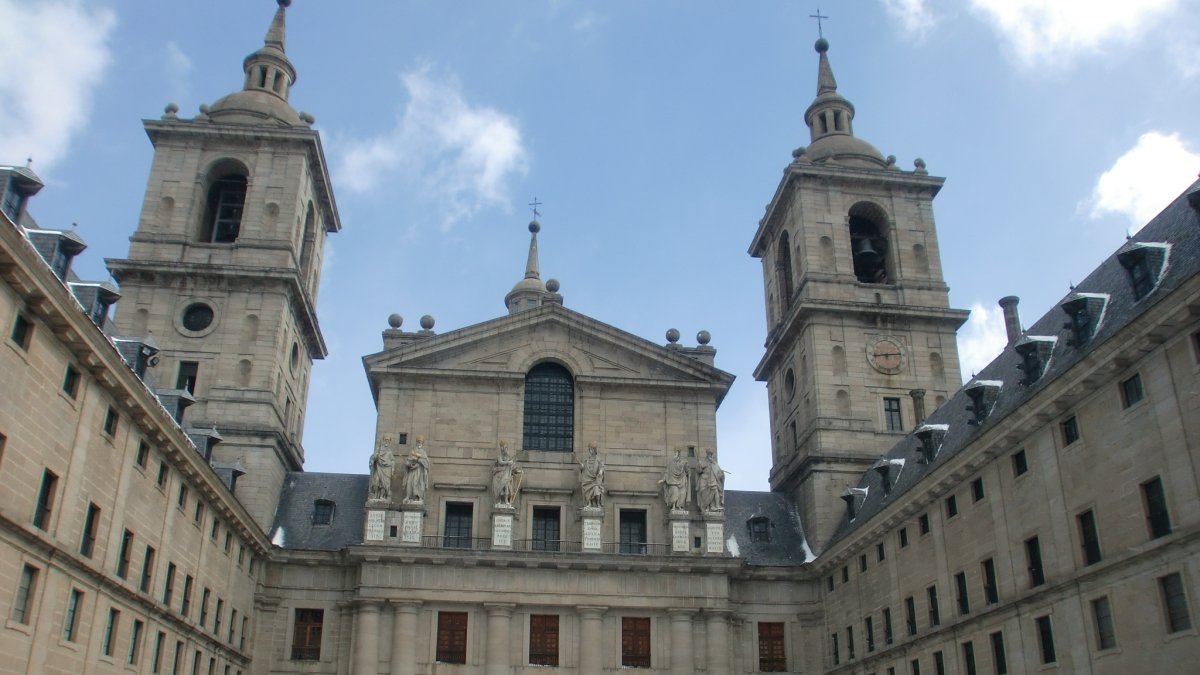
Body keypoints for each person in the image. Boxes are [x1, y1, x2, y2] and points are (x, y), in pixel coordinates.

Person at [492, 441, 521, 507]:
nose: (505, 449)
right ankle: (499, 501)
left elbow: (512, 467)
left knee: (507, 488)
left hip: (507, 475)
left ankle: (506, 501)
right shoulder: (500, 456)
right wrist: (508, 462)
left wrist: (515, 469)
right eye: (504, 448)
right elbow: (501, 462)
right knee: (500, 489)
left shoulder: (508, 458)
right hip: (500, 475)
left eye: (506, 448)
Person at [403, 436, 430, 503]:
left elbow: (427, 463)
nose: (419, 443)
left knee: (418, 483)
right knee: (410, 482)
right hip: (412, 471)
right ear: (416, 442)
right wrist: (409, 464)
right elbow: (408, 461)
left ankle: (418, 497)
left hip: (420, 472)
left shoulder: (423, 452)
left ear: (422, 443)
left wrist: (418, 460)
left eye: (420, 442)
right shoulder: (412, 451)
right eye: (418, 442)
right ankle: (409, 496)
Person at [697, 448, 725, 512]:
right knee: (705, 494)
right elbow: (698, 471)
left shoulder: (715, 463)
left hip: (713, 480)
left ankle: (716, 506)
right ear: (707, 454)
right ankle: (706, 507)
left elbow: (719, 473)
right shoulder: (703, 462)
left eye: (711, 454)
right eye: (709, 454)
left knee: (715, 491)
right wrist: (700, 466)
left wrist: (722, 474)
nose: (710, 455)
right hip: (704, 480)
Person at [368, 436, 395, 502]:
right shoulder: (379, 449)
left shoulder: (389, 451)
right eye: (385, 440)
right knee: (376, 481)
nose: (387, 441)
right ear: (383, 440)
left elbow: (392, 460)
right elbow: (373, 457)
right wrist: (374, 459)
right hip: (378, 467)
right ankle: (375, 496)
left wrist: (392, 468)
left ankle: (382, 496)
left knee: (384, 484)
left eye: (388, 440)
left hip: (386, 470)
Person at [579, 443, 606, 508]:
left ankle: (598, 504)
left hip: (595, 479)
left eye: (592, 449)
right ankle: (589, 503)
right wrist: (582, 467)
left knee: (597, 490)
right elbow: (582, 468)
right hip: (587, 479)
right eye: (590, 449)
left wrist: (601, 470)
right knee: (587, 491)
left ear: (595, 450)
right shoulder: (586, 461)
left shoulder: (598, 460)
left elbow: (602, 466)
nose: (591, 451)